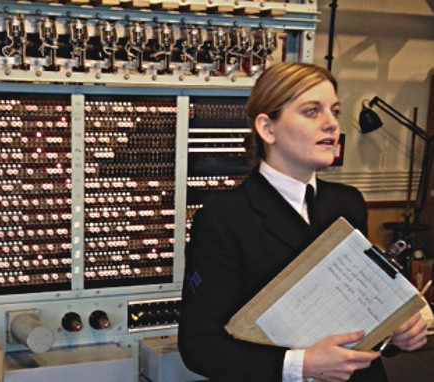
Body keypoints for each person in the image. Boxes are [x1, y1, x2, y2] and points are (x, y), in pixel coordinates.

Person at [178, 62, 428, 382]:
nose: (331, 125)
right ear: (267, 128)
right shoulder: (223, 220)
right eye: (312, 111)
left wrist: (394, 334)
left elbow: (361, 314)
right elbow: (199, 347)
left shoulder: (348, 202)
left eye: (334, 111)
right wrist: (300, 364)